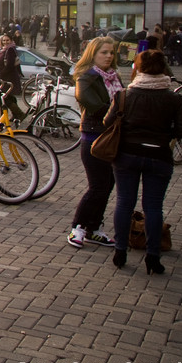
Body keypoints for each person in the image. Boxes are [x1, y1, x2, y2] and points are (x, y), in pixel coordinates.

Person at [109, 50, 182, 272]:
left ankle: (120, 251)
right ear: (164, 69)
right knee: (153, 207)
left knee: (124, 203)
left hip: (127, 155)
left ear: (138, 69)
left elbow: (108, 121)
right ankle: (153, 256)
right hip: (159, 156)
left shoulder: (124, 95)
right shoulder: (173, 98)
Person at [67, 36, 120, 249]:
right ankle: (77, 227)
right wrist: (119, 110)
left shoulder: (114, 76)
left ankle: (94, 229)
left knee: (108, 185)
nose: (108, 56)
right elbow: (96, 106)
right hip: (94, 137)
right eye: (104, 52)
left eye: (111, 53)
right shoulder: (86, 77)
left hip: (112, 137)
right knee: (97, 186)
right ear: (93, 54)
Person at [0, 34, 24, 121]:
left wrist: (1, 74)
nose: (5, 42)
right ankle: (16, 115)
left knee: (4, 97)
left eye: (7, 40)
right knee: (8, 97)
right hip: (4, 76)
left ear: (11, 40)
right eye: (4, 40)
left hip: (8, 77)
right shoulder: (4, 49)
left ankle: (18, 114)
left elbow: (9, 65)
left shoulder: (10, 50)